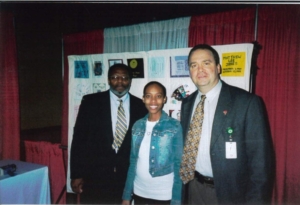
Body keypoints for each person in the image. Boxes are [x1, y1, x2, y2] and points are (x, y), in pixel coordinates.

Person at [180, 44, 273, 205]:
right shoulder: (187, 103)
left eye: (206, 63)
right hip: (193, 189)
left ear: (218, 67)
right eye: (193, 65)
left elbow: (261, 163)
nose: (199, 69)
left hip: (230, 194)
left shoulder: (246, 102)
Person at [70, 63, 148, 204]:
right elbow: (79, 139)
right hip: (95, 176)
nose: (120, 81)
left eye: (124, 77)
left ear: (130, 80)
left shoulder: (141, 106)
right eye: (115, 77)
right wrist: (76, 174)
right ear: (108, 79)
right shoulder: (91, 102)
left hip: (127, 177)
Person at [122, 81, 183, 205]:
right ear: (143, 99)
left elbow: (179, 164)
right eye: (149, 96)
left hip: (164, 194)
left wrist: (176, 200)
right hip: (139, 192)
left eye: (158, 96)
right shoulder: (137, 125)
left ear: (164, 99)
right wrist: (126, 195)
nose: (153, 101)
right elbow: (133, 161)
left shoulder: (174, 126)